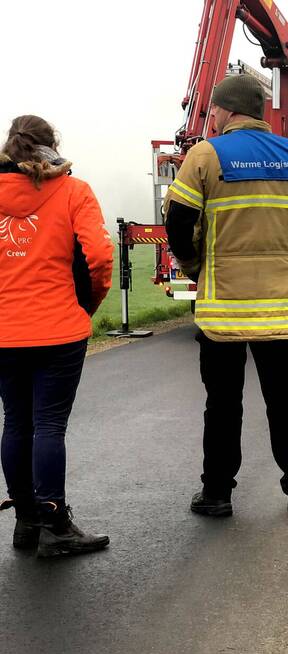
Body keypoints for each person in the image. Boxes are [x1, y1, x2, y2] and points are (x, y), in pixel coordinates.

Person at [163, 74, 288, 517]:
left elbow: (178, 222)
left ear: (226, 110)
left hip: (223, 310)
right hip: (277, 307)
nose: (212, 118)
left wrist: (195, 265)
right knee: (284, 398)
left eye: (214, 111)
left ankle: (217, 493)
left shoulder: (205, 155)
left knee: (222, 404)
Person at [0, 115, 113, 557]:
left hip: (4, 332)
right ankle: (55, 524)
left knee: (16, 421)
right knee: (49, 424)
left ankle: (26, 521)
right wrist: (86, 306)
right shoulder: (73, 191)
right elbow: (100, 257)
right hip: (58, 329)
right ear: (51, 147)